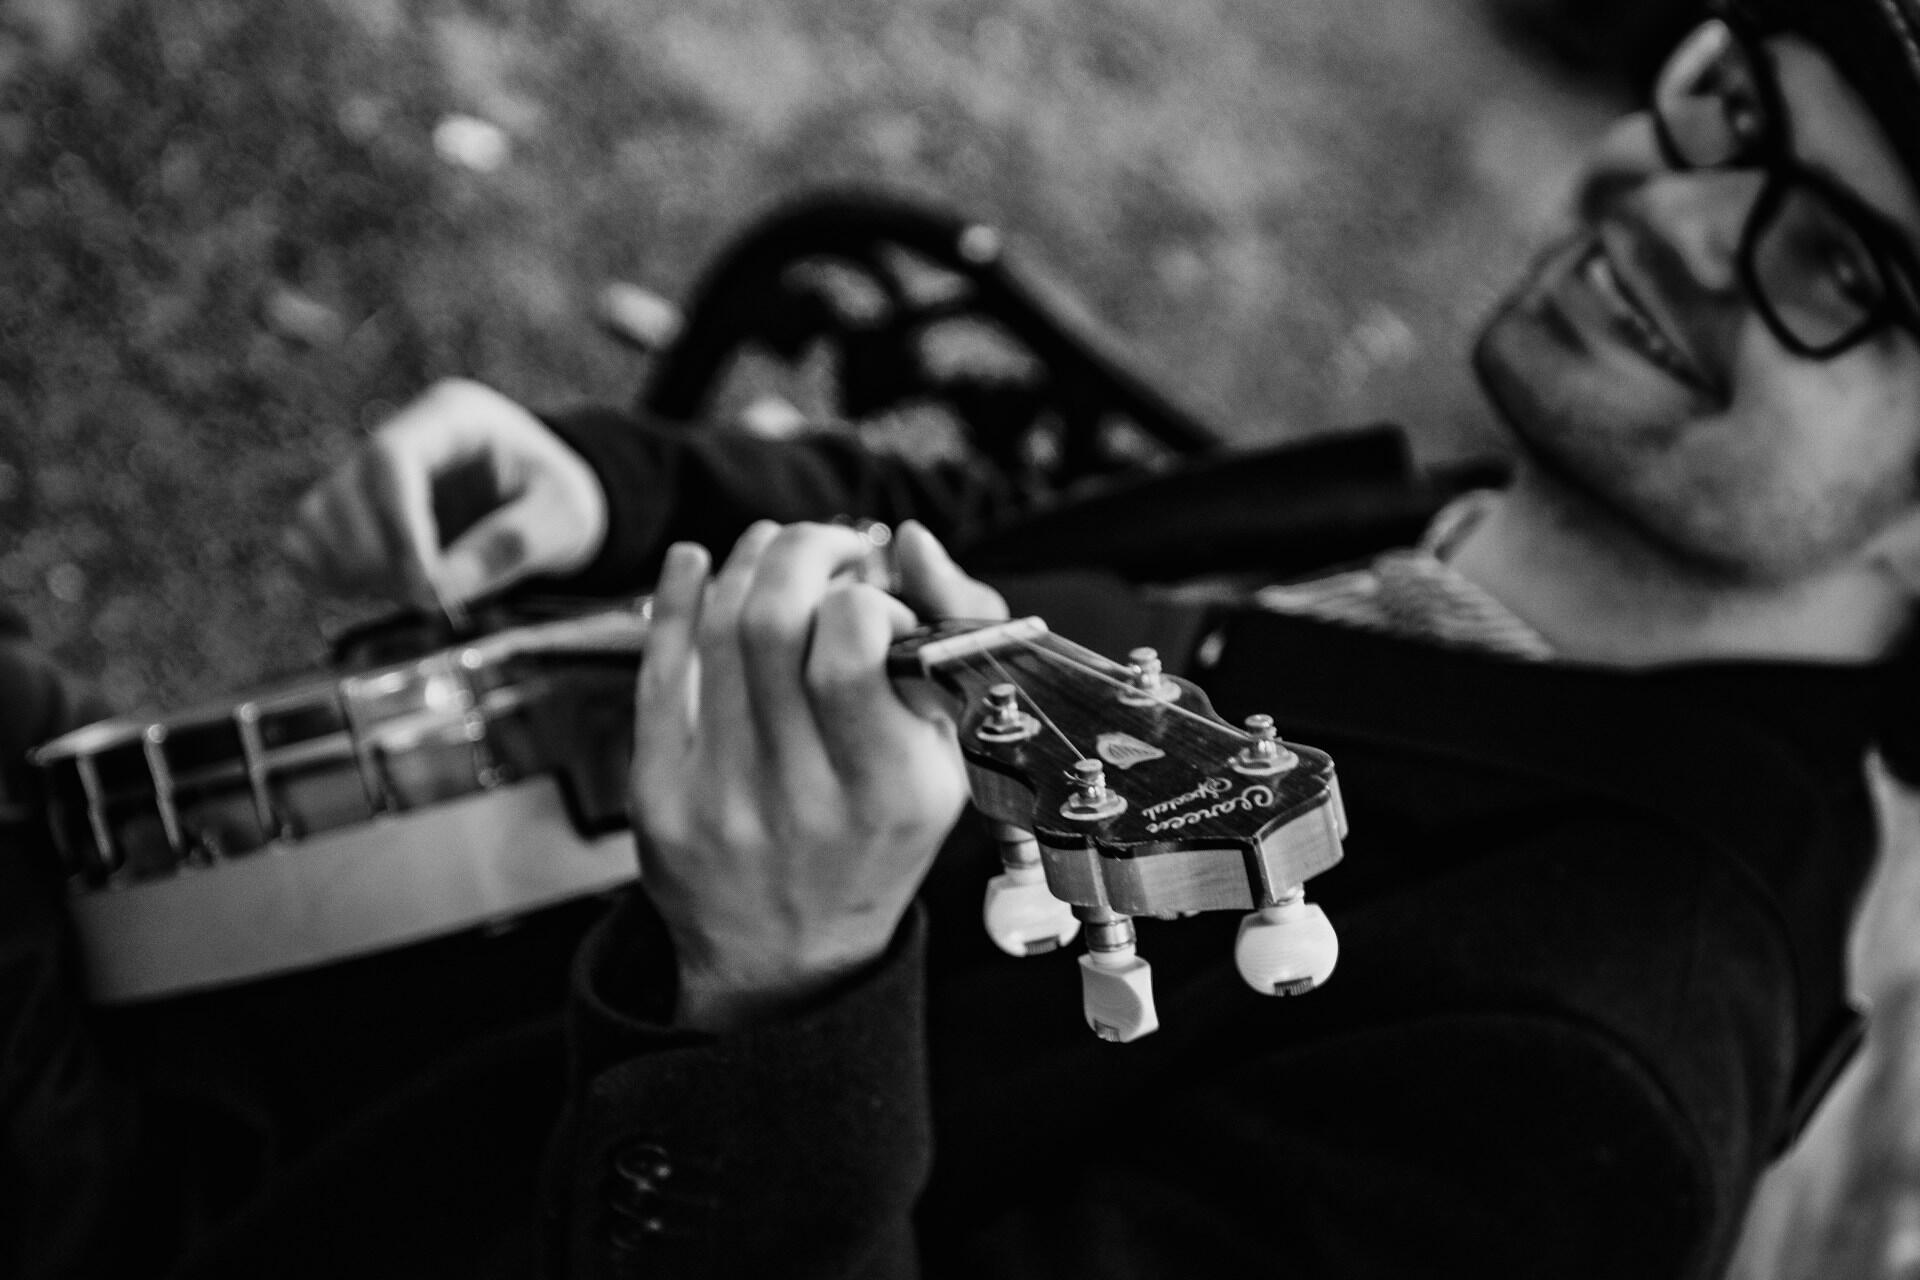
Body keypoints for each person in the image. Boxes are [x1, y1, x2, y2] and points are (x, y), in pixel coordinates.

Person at [276, 1, 1920, 1276]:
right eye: (1736, 100)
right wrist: (623, 490)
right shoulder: (1525, 528)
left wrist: (787, 1007)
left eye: (1840, 265)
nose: (1684, 211)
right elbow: (1038, 541)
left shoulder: (1591, 1091)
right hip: (355, 1004)